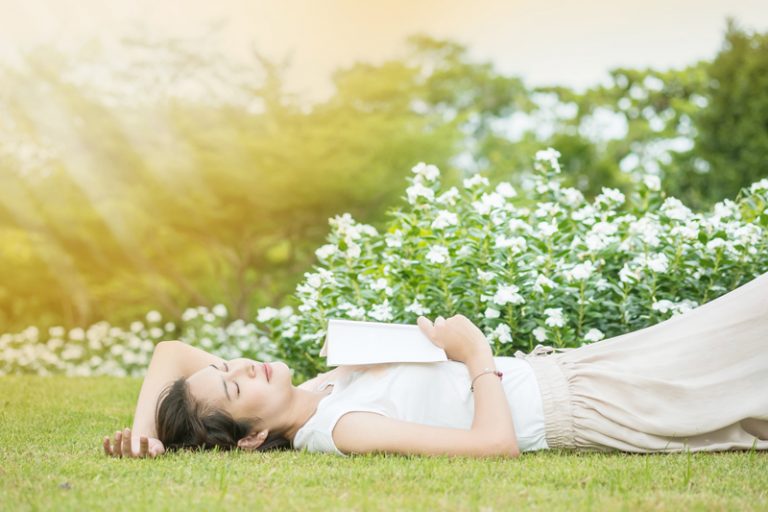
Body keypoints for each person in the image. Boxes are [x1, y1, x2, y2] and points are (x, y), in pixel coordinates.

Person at [103, 270, 768, 459]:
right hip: (591, 405)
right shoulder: (340, 428)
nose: (246, 365)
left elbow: (172, 354)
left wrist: (146, 433)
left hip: (584, 369)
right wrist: (475, 354)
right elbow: (494, 445)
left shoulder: (316, 388)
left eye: (237, 363)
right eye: (234, 383)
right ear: (250, 436)